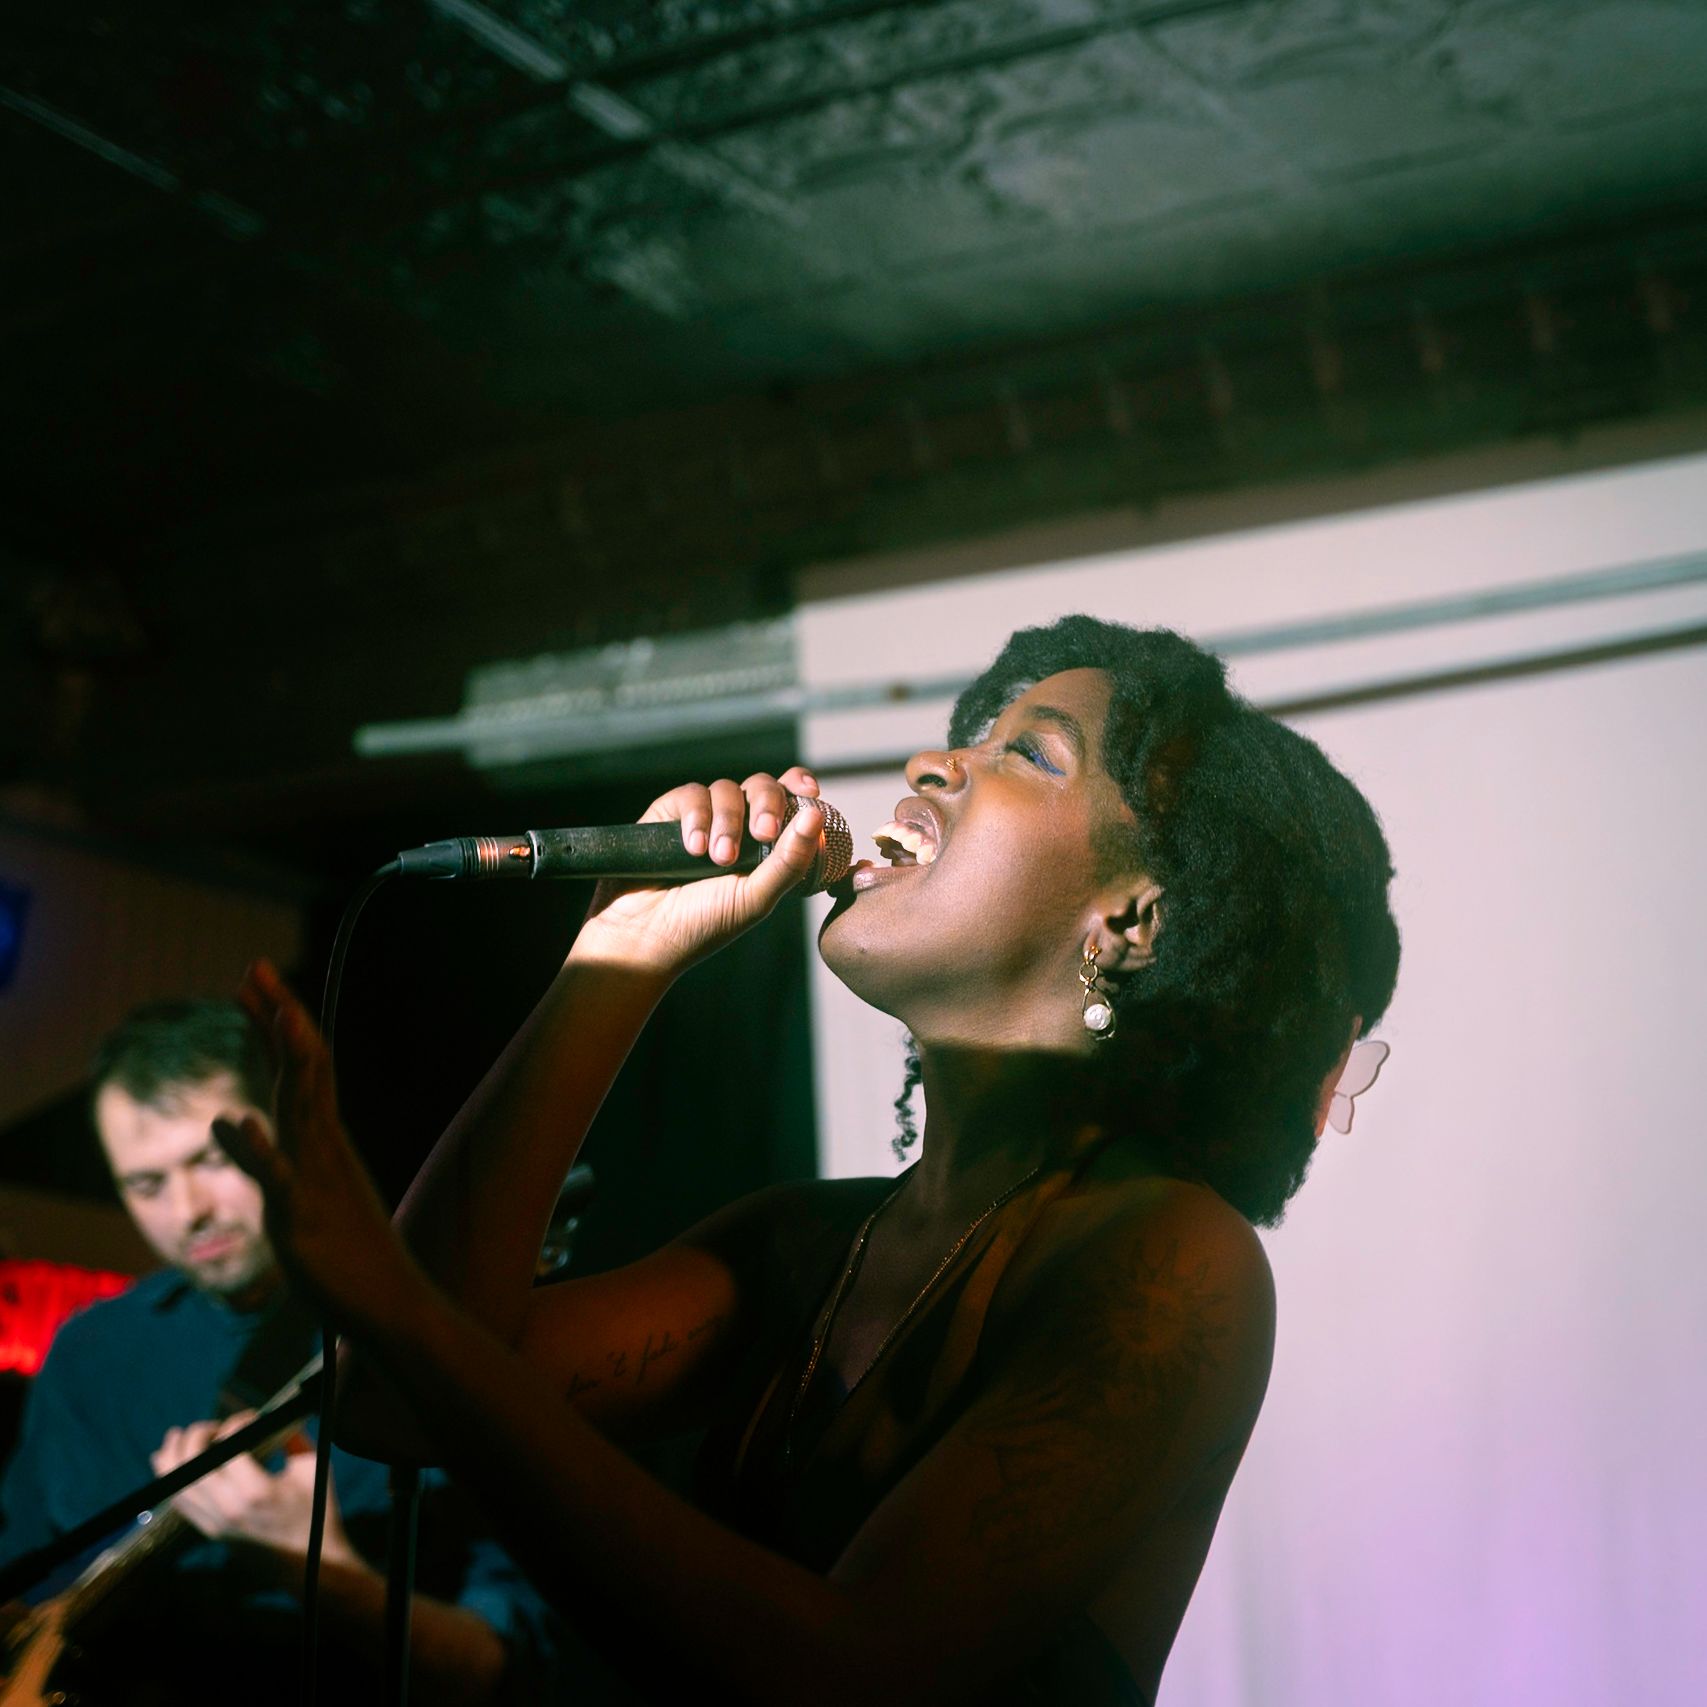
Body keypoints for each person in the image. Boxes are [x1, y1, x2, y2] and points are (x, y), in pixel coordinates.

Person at [217, 616, 1401, 1706]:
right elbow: (391, 1399)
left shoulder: (1170, 1256)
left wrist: (406, 1319)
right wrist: (621, 955)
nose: (936, 769)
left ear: (1130, 922)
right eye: (962, 739)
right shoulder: (806, 1249)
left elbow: (844, 1675)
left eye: (1030, 755)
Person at [0, 999, 558, 1707]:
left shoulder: (425, 1336)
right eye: (147, 1183)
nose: (188, 1208)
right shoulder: (89, 1352)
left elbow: (502, 1674)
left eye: (213, 1156)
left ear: (283, 1131)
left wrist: (328, 1577)